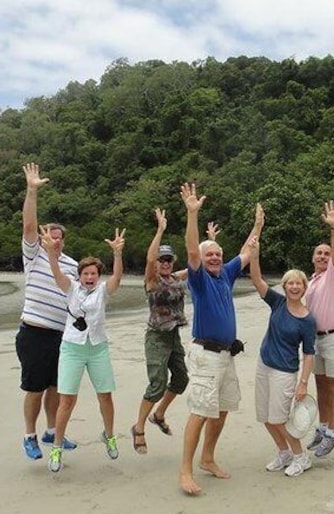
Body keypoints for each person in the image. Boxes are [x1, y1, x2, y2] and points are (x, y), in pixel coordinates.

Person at [178, 183, 263, 495]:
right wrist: (192, 214)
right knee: (200, 411)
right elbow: (191, 249)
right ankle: (185, 471)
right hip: (205, 355)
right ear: (201, 260)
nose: (214, 257)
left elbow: (246, 251)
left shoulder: (225, 274)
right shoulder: (199, 280)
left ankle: (208, 458)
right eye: (209, 254)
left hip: (226, 355)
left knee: (223, 408)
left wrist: (256, 226)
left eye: (217, 253)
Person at [40, 225, 126, 473]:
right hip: (72, 349)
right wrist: (49, 252)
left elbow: (117, 279)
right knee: (67, 400)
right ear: (79, 275)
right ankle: (57, 447)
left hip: (97, 347)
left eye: (94, 274)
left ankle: (109, 435)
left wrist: (118, 254)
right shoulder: (71, 288)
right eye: (86, 273)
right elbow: (56, 272)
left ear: (98, 276)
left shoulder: (102, 291)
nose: (90, 277)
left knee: (105, 395)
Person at [16, 162, 79, 461]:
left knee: (57, 386)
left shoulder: (72, 265)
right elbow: (29, 225)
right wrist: (31, 191)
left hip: (62, 335)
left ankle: (53, 431)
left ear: (63, 240)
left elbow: (78, 299)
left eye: (58, 236)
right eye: (49, 236)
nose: (54, 240)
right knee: (35, 388)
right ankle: (29, 435)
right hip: (34, 332)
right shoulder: (34, 255)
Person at [247, 230, 317, 477]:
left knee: (280, 419)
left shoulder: (308, 320)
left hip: (285, 372)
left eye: (299, 283)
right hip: (263, 365)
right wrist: (254, 255)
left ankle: (301, 457)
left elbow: (309, 354)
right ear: (285, 286)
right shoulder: (276, 302)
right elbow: (256, 279)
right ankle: (284, 453)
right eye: (290, 283)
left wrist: (303, 383)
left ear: (304, 287)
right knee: (265, 417)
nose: (294, 286)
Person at [130, 208, 189, 455]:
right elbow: (150, 258)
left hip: (173, 335)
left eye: (168, 260)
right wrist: (160, 229)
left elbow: (197, 265)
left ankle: (160, 414)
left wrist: (211, 242)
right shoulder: (152, 281)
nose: (165, 263)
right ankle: (139, 427)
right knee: (157, 384)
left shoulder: (176, 277)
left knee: (181, 379)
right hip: (156, 337)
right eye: (161, 260)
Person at [305, 201, 334, 458]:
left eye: (326, 253)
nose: (323, 256)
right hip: (317, 340)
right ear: (312, 258)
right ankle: (323, 428)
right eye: (318, 253)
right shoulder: (312, 281)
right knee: (320, 385)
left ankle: (333, 433)